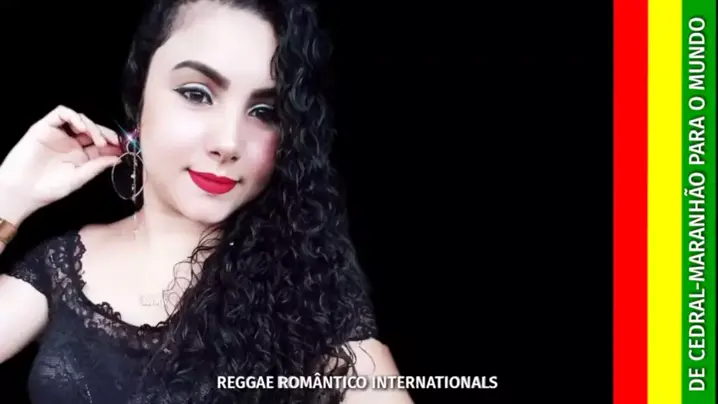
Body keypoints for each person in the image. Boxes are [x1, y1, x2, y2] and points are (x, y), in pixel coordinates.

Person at [0, 0, 413, 403]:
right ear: (138, 95)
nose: (228, 142)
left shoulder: (309, 294)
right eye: (197, 94)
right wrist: (9, 194)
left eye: (265, 111)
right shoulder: (61, 265)